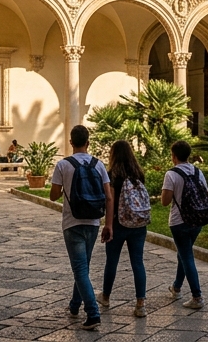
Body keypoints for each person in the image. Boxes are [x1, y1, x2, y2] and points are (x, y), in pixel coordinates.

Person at [50, 125, 113, 329]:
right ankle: (75, 305)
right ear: (88, 142)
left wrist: (64, 190)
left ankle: (93, 313)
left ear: (71, 142)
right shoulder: (99, 165)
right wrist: (109, 224)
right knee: (82, 267)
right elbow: (109, 196)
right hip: (94, 221)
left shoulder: (63, 165)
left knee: (79, 269)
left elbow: (53, 195)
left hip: (72, 222)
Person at [161, 140, 208, 310]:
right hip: (198, 220)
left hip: (179, 222)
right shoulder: (197, 172)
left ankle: (197, 296)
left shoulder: (171, 174)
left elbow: (165, 202)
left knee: (186, 256)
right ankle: (176, 287)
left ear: (174, 156)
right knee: (183, 254)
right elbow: (207, 197)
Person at [100, 140, 149, 318]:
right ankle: (140, 303)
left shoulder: (112, 174)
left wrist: (108, 225)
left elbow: (110, 201)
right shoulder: (138, 173)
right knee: (138, 262)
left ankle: (105, 297)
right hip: (138, 224)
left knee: (112, 261)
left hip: (118, 224)